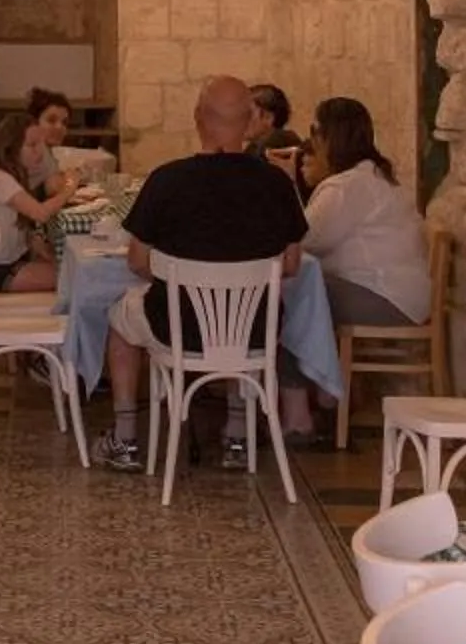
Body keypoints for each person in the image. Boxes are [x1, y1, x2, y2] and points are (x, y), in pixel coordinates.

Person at [94, 76, 308, 474]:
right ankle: (238, 435)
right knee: (235, 317)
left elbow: (137, 261)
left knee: (119, 321)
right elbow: (292, 264)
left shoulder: (167, 180)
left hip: (177, 327)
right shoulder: (276, 184)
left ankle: (124, 438)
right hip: (255, 327)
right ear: (248, 124)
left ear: (198, 120)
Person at [300, 96, 432, 329]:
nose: (312, 142)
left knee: (289, 290)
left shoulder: (346, 187)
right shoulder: (372, 175)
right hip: (409, 298)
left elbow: (303, 238)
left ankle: (309, 366)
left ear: (330, 138)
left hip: (384, 296)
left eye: (315, 132)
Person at [0, 112, 77, 293]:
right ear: (11, 148)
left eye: (40, 145)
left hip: (17, 257)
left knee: (72, 266)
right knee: (72, 275)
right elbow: (41, 213)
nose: (39, 152)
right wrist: (70, 189)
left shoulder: (16, 175)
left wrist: (35, 243)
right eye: (32, 145)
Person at [20, 87, 72, 188]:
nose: (59, 127)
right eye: (51, 120)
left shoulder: (47, 153)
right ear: (34, 122)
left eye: (64, 123)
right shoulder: (32, 156)